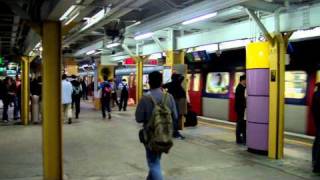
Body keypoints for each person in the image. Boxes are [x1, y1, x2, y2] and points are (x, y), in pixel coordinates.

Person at [135, 71, 177, 180]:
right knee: (155, 160)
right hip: (165, 136)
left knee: (153, 163)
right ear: (161, 82)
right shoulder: (169, 97)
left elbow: (138, 118)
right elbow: (175, 116)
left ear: (149, 82)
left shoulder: (145, 99)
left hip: (150, 137)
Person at [163, 74, 187, 139]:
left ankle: (170, 131)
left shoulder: (169, 84)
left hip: (169, 102)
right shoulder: (178, 82)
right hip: (176, 102)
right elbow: (182, 76)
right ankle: (175, 133)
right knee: (175, 117)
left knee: (171, 117)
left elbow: (162, 86)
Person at [235, 74, 246, 144]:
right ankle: (239, 139)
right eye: (246, 80)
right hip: (240, 109)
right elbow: (241, 99)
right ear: (243, 80)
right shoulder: (240, 88)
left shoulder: (241, 87)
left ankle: (240, 138)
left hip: (240, 109)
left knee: (241, 124)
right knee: (240, 124)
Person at [312, 83, 320, 173]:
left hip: (317, 122)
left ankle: (315, 163)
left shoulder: (315, 94)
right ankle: (316, 166)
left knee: (317, 142)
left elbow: (313, 110)